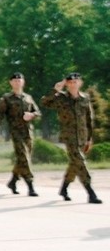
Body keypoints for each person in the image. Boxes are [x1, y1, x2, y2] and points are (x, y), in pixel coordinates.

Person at [41, 73, 102, 204]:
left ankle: (64, 188)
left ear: (80, 83)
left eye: (76, 82)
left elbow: (89, 120)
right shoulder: (61, 98)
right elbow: (44, 102)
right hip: (69, 137)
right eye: (70, 82)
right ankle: (91, 193)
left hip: (82, 136)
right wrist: (56, 89)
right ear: (67, 84)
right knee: (80, 162)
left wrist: (89, 138)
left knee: (75, 164)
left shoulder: (85, 98)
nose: (73, 85)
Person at [0, 73, 41, 196]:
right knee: (24, 157)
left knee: (22, 158)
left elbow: (38, 112)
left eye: (20, 80)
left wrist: (32, 115)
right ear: (11, 83)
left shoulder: (28, 98)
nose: (18, 82)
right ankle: (30, 185)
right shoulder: (6, 99)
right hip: (16, 132)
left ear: (23, 82)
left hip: (28, 132)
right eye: (15, 80)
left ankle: (13, 181)